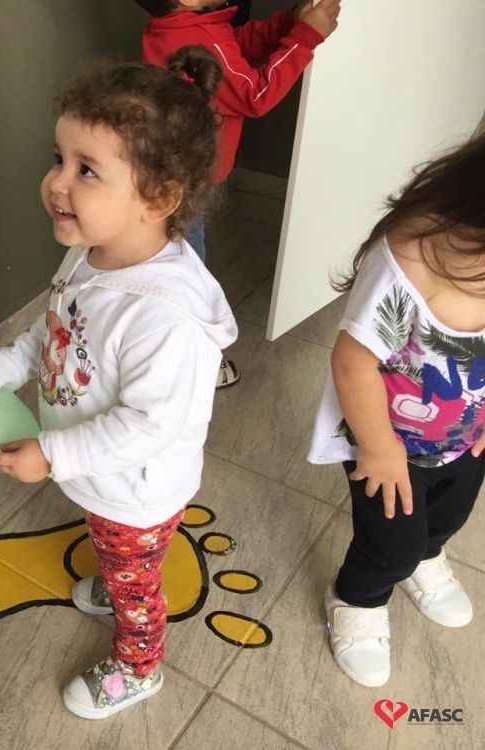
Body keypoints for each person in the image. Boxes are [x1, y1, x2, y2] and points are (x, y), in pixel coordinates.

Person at [0, 49, 237, 720]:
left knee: (136, 585)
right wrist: (2, 370)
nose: (56, 183)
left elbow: (149, 425)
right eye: (58, 159)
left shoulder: (165, 317)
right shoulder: (89, 255)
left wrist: (52, 453)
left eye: (86, 170)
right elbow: (54, 328)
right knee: (116, 551)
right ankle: (121, 572)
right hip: (101, 478)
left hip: (136, 489)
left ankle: (139, 665)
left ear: (159, 199)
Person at [308, 133, 485, 687]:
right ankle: (357, 597)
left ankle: (428, 555)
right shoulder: (411, 258)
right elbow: (353, 361)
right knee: (390, 542)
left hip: (466, 434)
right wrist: (379, 448)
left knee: (451, 513)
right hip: (387, 442)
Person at [136, 0, 341, 388]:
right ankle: (198, 358)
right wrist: (305, 37)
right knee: (188, 273)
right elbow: (255, 94)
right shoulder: (198, 36)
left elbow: (235, 46)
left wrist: (287, 23)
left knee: (175, 261)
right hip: (185, 183)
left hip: (168, 173)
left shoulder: (180, 27)